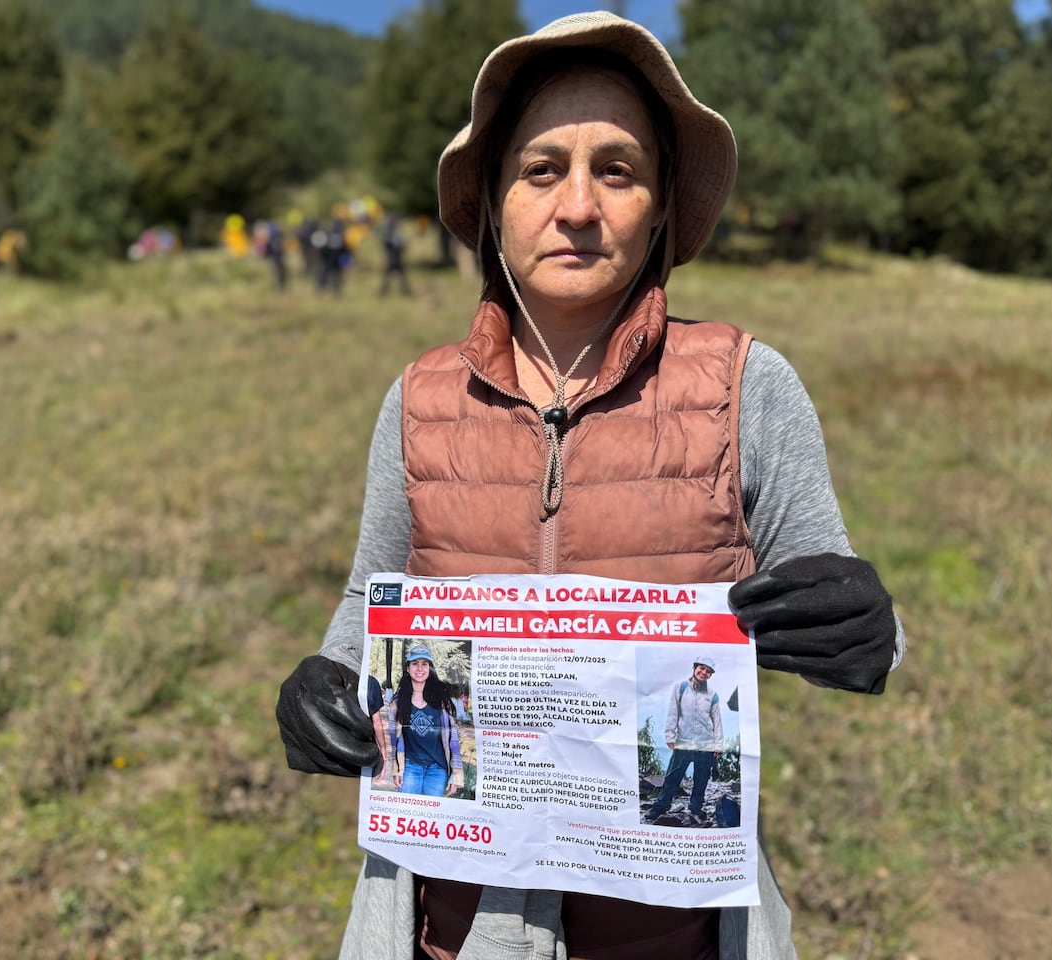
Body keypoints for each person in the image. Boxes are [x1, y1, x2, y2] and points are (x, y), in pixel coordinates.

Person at [275, 12, 904, 960]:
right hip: (455, 933)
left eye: (617, 169)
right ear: (491, 203)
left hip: (678, 933)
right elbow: (374, 596)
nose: (578, 205)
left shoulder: (746, 384)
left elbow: (851, 610)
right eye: (541, 170)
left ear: (660, 204)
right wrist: (322, 682)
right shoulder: (418, 398)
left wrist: (864, 632)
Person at [645, 657, 723, 826]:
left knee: (701, 779)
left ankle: (696, 809)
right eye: (701, 668)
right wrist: (670, 736)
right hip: (683, 742)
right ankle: (660, 807)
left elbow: (717, 721)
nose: (704, 673)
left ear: (710, 675)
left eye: (708, 671)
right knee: (673, 777)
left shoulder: (712, 695)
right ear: (695, 668)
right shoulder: (680, 688)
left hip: (705, 744)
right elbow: (673, 713)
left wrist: (718, 745)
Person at [386, 645, 463, 797]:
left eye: (424, 664)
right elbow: (394, 739)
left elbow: (453, 738)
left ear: (429, 668)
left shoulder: (442, 701)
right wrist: (397, 769)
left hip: (437, 768)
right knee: (407, 811)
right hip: (410, 767)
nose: (420, 668)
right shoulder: (397, 702)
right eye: (415, 664)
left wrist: (457, 774)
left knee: (432, 814)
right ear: (408, 668)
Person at [379, 213, 412, 297]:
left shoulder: (396, 232)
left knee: (400, 276)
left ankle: (405, 291)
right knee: (390, 275)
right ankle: (384, 291)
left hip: (397, 257)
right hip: (392, 258)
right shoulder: (389, 232)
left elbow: (402, 243)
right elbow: (387, 243)